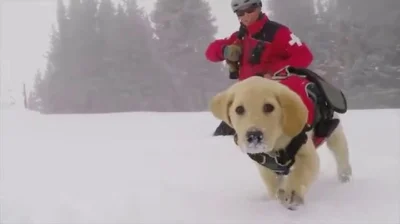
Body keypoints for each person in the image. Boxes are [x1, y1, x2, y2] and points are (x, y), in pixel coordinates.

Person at [206, 0, 314, 136]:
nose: (245, 16)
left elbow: (305, 56)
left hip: (270, 100)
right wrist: (225, 50)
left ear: (258, 8)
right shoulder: (239, 36)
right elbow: (210, 53)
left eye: (249, 10)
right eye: (240, 13)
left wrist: (272, 72)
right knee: (221, 138)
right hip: (246, 100)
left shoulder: (279, 32)